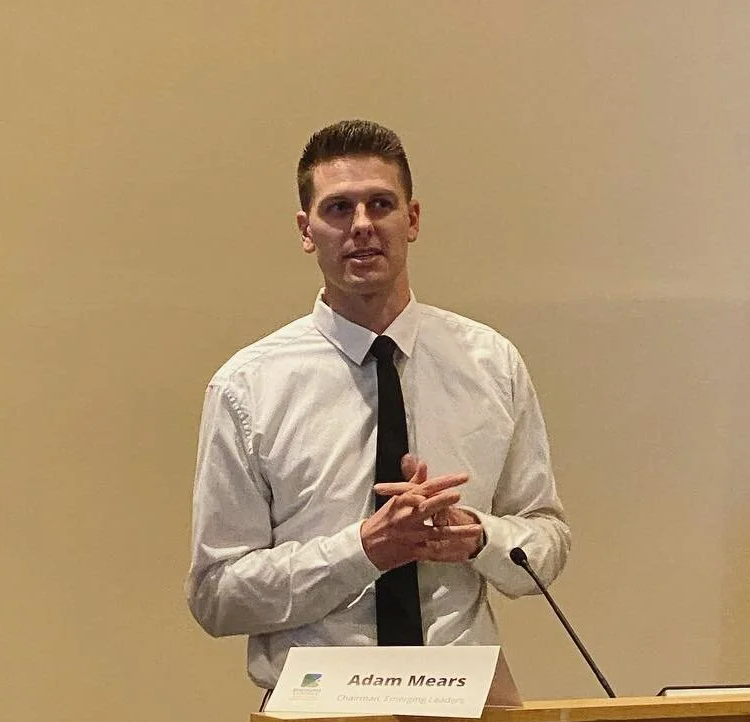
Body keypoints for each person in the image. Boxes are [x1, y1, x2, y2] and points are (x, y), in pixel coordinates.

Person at [185, 118, 571, 690]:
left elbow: (547, 538)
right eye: (339, 209)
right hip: (321, 702)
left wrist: (480, 537)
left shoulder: (491, 363)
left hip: (467, 693)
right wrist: (363, 550)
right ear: (306, 230)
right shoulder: (249, 387)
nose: (362, 226)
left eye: (380, 204)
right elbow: (217, 594)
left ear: (411, 219)